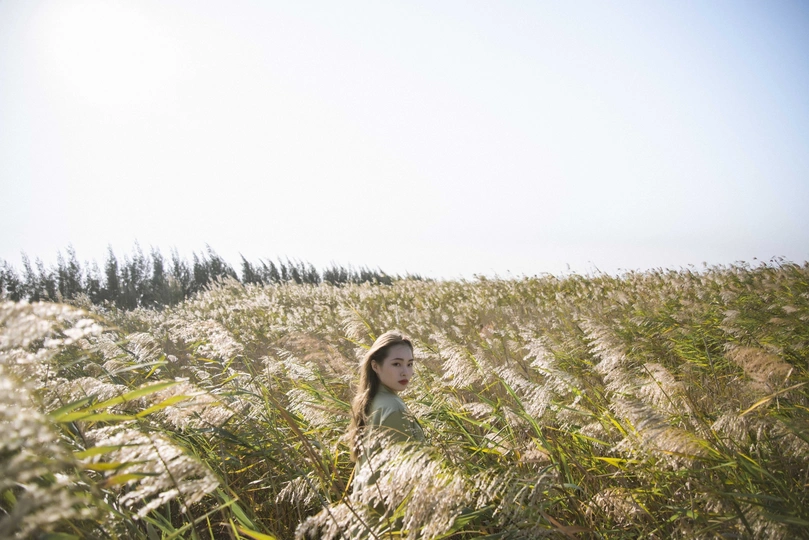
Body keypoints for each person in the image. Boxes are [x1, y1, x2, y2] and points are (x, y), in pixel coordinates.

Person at [346, 330, 425, 497]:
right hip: (389, 508)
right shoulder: (393, 408)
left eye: (410, 364)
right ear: (375, 366)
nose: (405, 372)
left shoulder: (372, 400)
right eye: (396, 364)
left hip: (370, 505)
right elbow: (406, 472)